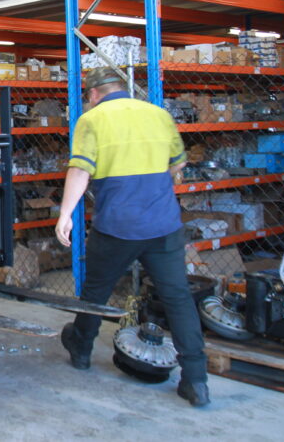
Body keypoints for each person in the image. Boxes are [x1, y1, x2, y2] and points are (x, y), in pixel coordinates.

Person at [55, 67, 209, 408]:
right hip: (163, 224)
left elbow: (80, 169)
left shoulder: (91, 120)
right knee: (178, 298)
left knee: (96, 291)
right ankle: (196, 380)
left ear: (94, 94)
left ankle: (81, 350)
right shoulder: (158, 114)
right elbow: (177, 165)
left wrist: (65, 214)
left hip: (117, 226)